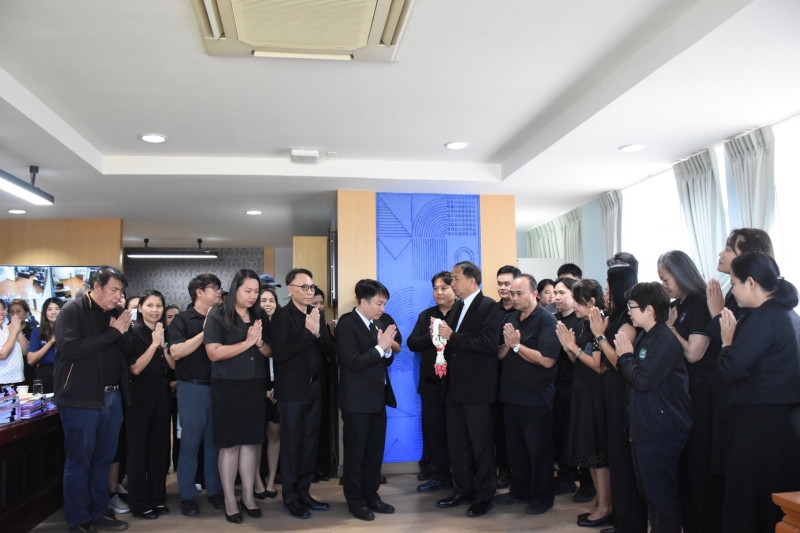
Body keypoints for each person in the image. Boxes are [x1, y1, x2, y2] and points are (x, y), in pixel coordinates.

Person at [718, 253, 800, 533]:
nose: (732, 292)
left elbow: (730, 370)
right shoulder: (790, 315)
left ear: (751, 282)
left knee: (752, 504)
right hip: (787, 425)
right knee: (778, 506)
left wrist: (726, 343)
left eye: (734, 283)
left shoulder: (761, 319)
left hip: (761, 427)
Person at [54, 265, 132, 533]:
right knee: (79, 462)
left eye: (121, 291)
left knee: (103, 459)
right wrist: (113, 333)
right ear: (97, 287)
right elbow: (70, 348)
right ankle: (78, 519)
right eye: (114, 290)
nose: (118, 296)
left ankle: (99, 512)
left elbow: (126, 349)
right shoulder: (72, 310)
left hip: (112, 395)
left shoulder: (115, 313)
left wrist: (123, 331)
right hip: (80, 398)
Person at [614, 282, 692, 533]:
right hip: (646, 426)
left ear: (649, 309)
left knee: (661, 496)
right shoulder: (648, 335)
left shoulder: (664, 340)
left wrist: (625, 357)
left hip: (661, 429)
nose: (629, 312)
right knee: (649, 493)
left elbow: (643, 380)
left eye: (632, 307)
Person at [658, 250, 722, 533]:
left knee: (699, 466)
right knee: (681, 468)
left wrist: (670, 329)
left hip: (701, 393)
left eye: (666, 279)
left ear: (681, 274)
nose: (664, 285)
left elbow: (694, 353)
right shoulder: (676, 304)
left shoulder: (699, 303)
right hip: (680, 395)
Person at [436, 261, 503, 518]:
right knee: (458, 443)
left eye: (456, 278)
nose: (452, 283)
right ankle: (463, 489)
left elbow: (488, 344)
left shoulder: (488, 306)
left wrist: (452, 337)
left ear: (472, 280)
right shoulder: (458, 306)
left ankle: (484, 495)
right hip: (455, 387)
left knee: (481, 445)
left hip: (477, 390)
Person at [204, 269, 271, 524]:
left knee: (251, 443)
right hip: (228, 386)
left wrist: (259, 343)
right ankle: (230, 499)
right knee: (230, 444)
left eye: (256, 291)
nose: (253, 296)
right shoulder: (218, 314)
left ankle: (249, 497)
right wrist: (247, 342)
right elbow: (213, 352)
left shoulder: (259, 314)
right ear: (235, 289)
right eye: (248, 291)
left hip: (254, 384)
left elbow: (269, 351)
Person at [270, 268, 334, 519]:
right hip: (292, 390)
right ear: (290, 289)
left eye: (311, 287)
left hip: (315, 386)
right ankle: (291, 496)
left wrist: (320, 331)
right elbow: (281, 354)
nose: (310, 292)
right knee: (292, 444)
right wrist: (308, 334)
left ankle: (304, 492)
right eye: (304, 287)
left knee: (310, 442)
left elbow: (329, 350)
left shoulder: (316, 313)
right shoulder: (281, 317)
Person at [589, 263, 647, 533]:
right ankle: (620, 519)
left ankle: (629, 523)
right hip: (609, 390)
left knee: (623, 460)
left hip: (622, 392)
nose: (606, 289)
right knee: (615, 457)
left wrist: (599, 335)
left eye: (609, 283)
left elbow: (619, 361)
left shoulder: (628, 320)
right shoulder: (616, 316)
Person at [495, 274, 560, 515]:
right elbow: (500, 354)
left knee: (538, 451)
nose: (514, 298)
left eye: (519, 293)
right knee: (516, 449)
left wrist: (517, 346)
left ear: (534, 294)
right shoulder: (510, 318)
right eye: (512, 293)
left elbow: (547, 360)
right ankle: (519, 491)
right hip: (511, 395)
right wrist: (506, 345)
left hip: (536, 398)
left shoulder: (546, 321)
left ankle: (542, 497)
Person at [337, 279, 397, 521]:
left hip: (377, 398)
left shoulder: (377, 324)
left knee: (374, 452)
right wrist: (380, 348)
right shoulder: (347, 325)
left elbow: (385, 360)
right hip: (356, 402)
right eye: (378, 303)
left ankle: (372, 494)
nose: (382, 309)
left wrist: (387, 350)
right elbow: (352, 362)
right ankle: (356, 500)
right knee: (356, 453)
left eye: (384, 304)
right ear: (363, 301)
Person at [555, 279, 612, 528]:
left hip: (596, 395)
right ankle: (601, 502)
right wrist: (570, 348)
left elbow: (598, 365)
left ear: (592, 302)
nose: (574, 306)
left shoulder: (600, 323)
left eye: (578, 302)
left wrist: (573, 348)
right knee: (588, 455)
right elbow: (577, 359)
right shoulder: (582, 323)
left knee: (598, 455)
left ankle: (606, 505)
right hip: (582, 392)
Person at [167, 273, 224, 517]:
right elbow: (177, 352)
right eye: (214, 287)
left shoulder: (222, 317)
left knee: (215, 444)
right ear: (199, 292)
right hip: (191, 387)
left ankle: (215, 490)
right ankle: (188, 495)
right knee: (190, 444)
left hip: (219, 387)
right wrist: (205, 330)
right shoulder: (182, 319)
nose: (219, 291)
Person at [117, 289, 175, 519]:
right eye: (150, 305)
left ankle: (158, 498)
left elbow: (172, 366)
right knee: (138, 450)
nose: (155, 310)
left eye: (159, 306)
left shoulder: (164, 330)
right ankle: (139, 503)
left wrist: (163, 345)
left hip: (162, 394)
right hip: (139, 396)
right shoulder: (132, 332)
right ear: (140, 308)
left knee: (160, 449)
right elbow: (135, 368)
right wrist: (154, 344)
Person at [407, 271, 457, 493]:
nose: (439, 292)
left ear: (454, 289)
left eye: (444, 288)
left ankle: (460, 474)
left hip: (457, 384)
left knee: (457, 432)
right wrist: (432, 335)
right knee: (434, 431)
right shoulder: (426, 315)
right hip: (432, 384)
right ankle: (439, 475)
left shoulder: (461, 313)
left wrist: (448, 334)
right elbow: (412, 343)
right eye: (435, 288)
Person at [253, 286, 281, 501]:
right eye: (263, 300)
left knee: (274, 434)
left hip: (279, 387)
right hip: (255, 387)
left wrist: (278, 387)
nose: (267, 304)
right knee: (254, 437)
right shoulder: (252, 326)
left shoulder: (283, 326)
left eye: (271, 300)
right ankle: (257, 481)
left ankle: (271, 480)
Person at [494, 265, 520, 489]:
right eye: (500, 283)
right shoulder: (491, 310)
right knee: (500, 430)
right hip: (496, 379)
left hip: (522, 380)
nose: (503, 288)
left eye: (507, 283)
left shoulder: (525, 312)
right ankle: (504, 471)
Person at [26, 297, 64, 393]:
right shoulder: (37, 332)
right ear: (45, 312)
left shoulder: (70, 330)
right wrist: (51, 342)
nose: (53, 312)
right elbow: (30, 360)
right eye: (49, 309)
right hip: (45, 373)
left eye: (57, 309)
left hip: (65, 371)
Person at [0, 299, 28, 386]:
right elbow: (2, 354)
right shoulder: (12, 330)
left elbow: (26, 351)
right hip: (3, 381)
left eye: (3, 308)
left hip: (18, 379)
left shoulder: (8, 328)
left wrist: (18, 332)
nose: (1, 312)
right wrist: (13, 332)